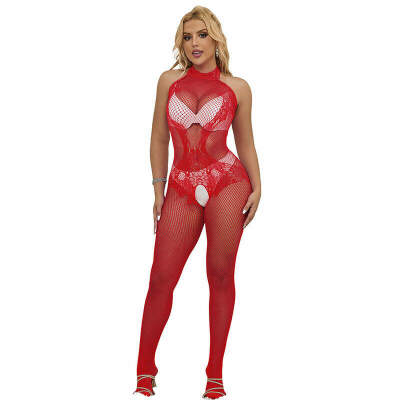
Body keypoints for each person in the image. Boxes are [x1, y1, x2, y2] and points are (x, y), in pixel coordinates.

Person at [133, 6, 261, 399]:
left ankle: (214, 376)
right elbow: (159, 136)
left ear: (216, 39)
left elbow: (245, 141)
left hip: (228, 183)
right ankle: (144, 372)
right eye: (187, 37)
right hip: (181, 186)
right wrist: (158, 188)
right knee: (161, 277)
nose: (194, 44)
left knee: (220, 276)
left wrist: (258, 186)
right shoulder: (168, 81)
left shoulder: (238, 87)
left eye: (202, 35)